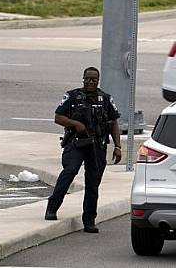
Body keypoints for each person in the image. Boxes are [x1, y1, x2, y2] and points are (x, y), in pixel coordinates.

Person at [45, 66, 122, 233]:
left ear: (98, 81)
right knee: (70, 171)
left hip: (97, 146)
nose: (89, 82)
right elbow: (58, 117)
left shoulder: (106, 99)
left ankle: (89, 220)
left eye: (93, 79)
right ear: (83, 79)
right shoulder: (72, 96)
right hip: (77, 143)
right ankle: (52, 207)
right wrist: (75, 124)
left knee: (93, 183)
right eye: (87, 79)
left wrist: (117, 146)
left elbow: (113, 123)